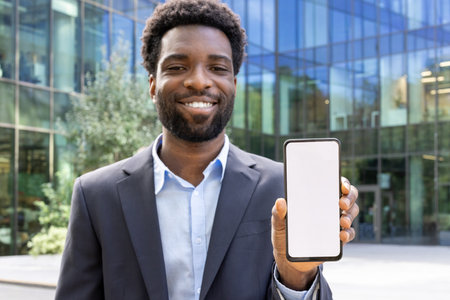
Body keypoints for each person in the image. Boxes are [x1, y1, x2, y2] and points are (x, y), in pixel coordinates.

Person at [55, 1, 359, 299]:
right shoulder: (96, 195)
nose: (199, 80)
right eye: (177, 66)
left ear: (234, 85)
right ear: (152, 85)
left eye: (217, 67)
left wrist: (297, 276)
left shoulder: (283, 188)